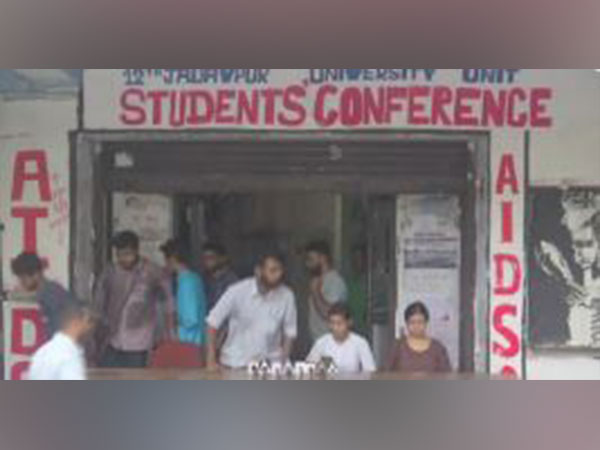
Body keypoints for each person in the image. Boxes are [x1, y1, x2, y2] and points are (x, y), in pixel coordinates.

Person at [93, 231, 172, 368]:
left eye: (127, 254)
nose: (123, 259)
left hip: (139, 343)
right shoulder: (110, 273)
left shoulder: (153, 272)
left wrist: (166, 335)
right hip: (112, 340)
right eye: (119, 255)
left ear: (136, 251)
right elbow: (98, 305)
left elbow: (168, 304)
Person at [205, 252, 297, 370]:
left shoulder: (287, 295)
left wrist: (283, 363)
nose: (278, 275)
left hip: (269, 366)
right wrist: (210, 361)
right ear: (258, 271)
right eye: (273, 270)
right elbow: (212, 323)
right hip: (235, 363)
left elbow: (290, 332)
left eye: (280, 270)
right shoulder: (237, 291)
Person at [11, 252, 76, 340]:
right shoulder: (49, 291)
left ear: (36, 274)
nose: (21, 282)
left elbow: (60, 332)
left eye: (23, 277)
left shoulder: (50, 295)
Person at [28, 301, 95, 381]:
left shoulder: (41, 352)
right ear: (77, 322)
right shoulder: (68, 356)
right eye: (90, 322)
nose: (91, 328)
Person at [160, 239, 207, 347]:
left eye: (166, 260)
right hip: (195, 340)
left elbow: (189, 319)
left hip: (189, 342)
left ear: (172, 259)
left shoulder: (186, 282)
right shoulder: (193, 278)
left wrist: (173, 321)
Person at [307, 303, 376, 374]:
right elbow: (307, 369)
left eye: (339, 323)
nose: (335, 328)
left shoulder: (360, 343)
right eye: (332, 323)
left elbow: (370, 371)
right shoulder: (321, 342)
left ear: (349, 322)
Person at [388, 302, 452, 374]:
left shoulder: (438, 348)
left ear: (426, 323)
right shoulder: (398, 347)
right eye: (412, 322)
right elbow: (387, 375)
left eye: (420, 322)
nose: (416, 326)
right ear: (406, 324)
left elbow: (447, 376)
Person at [305, 241, 348, 342]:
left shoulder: (334, 281)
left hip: (333, 343)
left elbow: (328, 314)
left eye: (311, 259)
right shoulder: (318, 280)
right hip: (319, 341)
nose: (307, 264)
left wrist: (316, 292)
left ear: (323, 258)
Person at [201, 242, 238, 310]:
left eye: (210, 257)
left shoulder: (231, 281)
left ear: (222, 258)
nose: (206, 261)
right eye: (204, 258)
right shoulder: (206, 279)